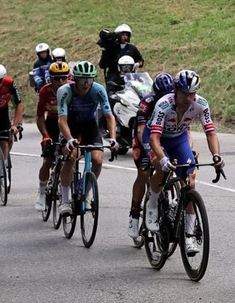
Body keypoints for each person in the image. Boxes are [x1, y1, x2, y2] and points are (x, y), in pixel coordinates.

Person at [145, 70, 224, 255]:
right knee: (161, 169)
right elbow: (154, 138)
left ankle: (188, 236)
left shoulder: (201, 104)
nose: (188, 98)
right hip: (157, 138)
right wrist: (163, 158)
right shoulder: (163, 104)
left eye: (192, 93)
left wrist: (216, 156)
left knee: (190, 183)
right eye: (184, 93)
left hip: (178, 139)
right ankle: (152, 205)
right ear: (175, 90)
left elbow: (210, 132)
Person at [54, 61, 115, 223]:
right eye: (82, 79)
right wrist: (69, 139)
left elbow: (109, 116)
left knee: (98, 160)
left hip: (89, 126)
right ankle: (65, 201)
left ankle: (85, 193)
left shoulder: (98, 90)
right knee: (71, 157)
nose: (86, 83)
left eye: (90, 79)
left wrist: (113, 138)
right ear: (75, 79)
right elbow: (62, 120)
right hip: (70, 126)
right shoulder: (64, 91)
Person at [125, 72, 172, 244]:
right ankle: (134, 213)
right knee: (144, 172)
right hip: (144, 136)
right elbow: (141, 131)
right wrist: (150, 153)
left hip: (163, 135)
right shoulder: (147, 102)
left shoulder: (175, 101)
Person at [34, 60, 72, 206]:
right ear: (51, 78)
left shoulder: (73, 88)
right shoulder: (45, 91)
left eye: (64, 78)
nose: (61, 81)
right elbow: (39, 117)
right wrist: (45, 135)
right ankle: (41, 193)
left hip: (69, 123)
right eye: (57, 78)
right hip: (52, 124)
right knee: (48, 160)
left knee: (71, 158)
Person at [98, 24, 144, 92]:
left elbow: (141, 60)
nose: (125, 37)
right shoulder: (111, 48)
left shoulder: (132, 48)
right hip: (113, 78)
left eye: (126, 35)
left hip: (129, 77)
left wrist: (136, 64)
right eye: (123, 35)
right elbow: (102, 65)